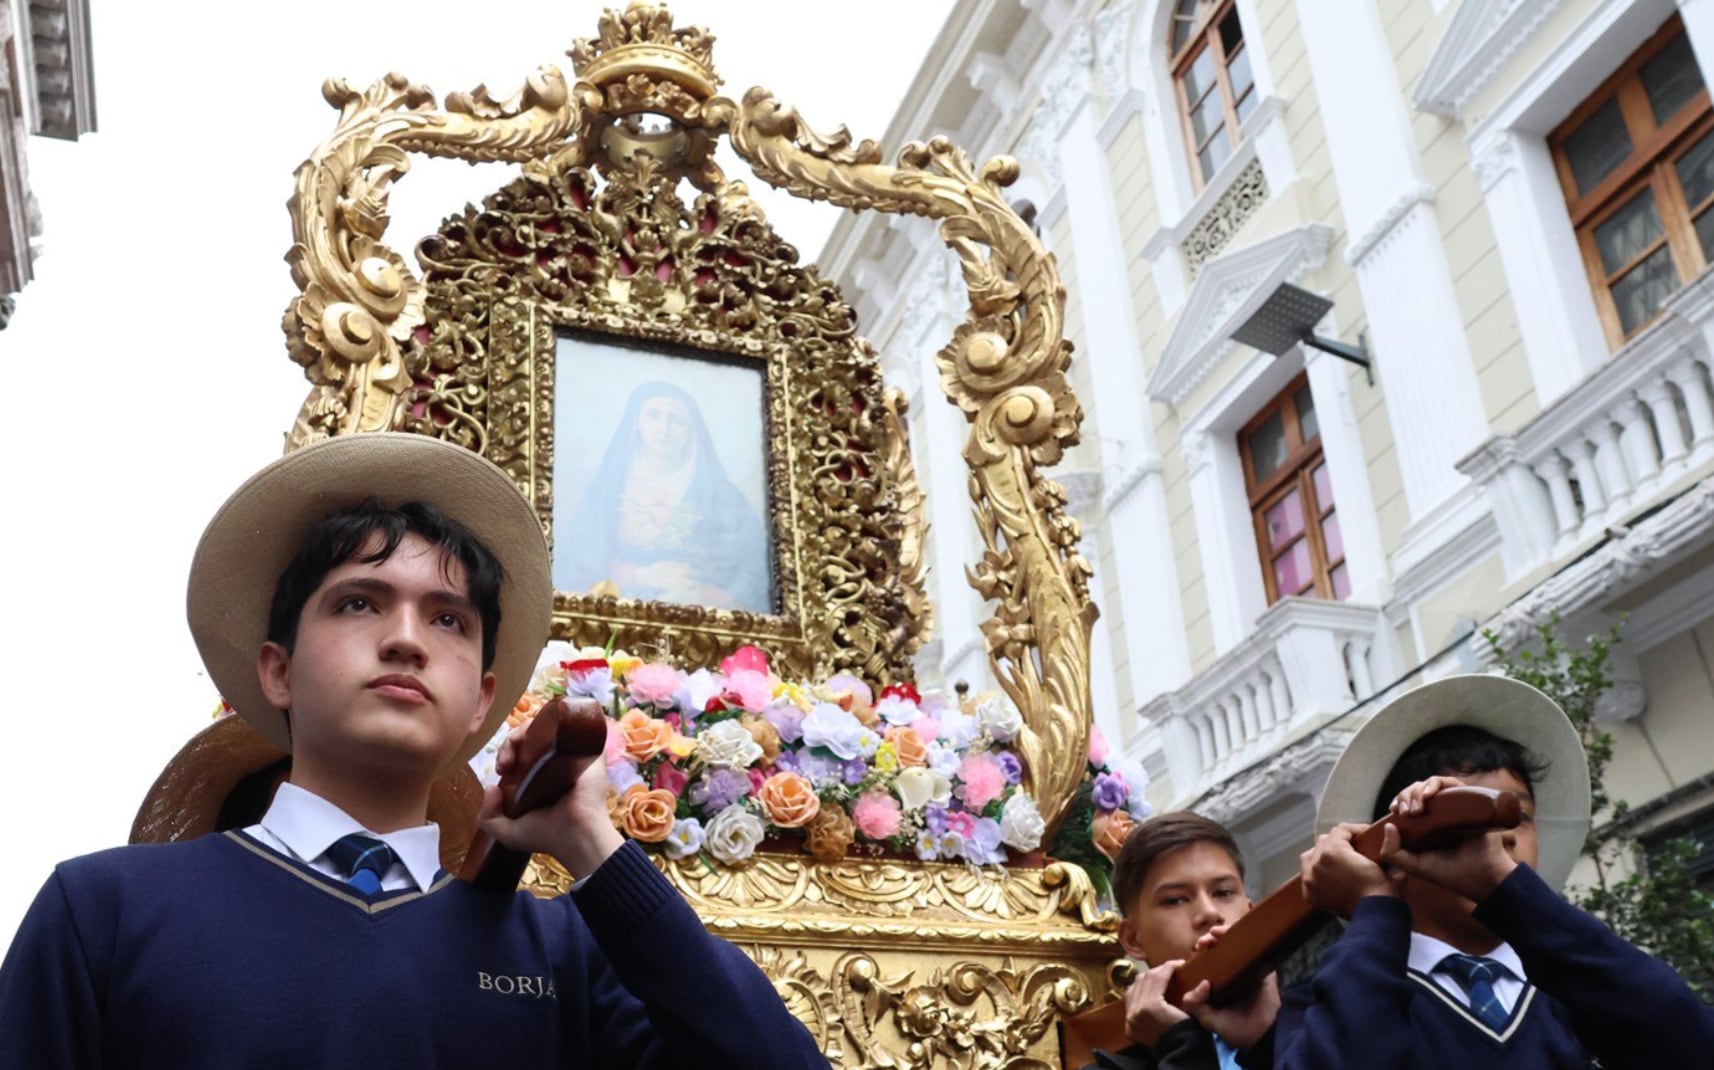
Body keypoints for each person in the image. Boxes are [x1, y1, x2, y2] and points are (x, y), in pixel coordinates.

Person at [0, 432, 826, 1068]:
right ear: (277, 671)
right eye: (360, 604)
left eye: (448, 620)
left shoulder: (561, 954)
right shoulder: (104, 912)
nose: (405, 640)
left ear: (480, 700)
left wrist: (593, 846)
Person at [1275, 674, 1714, 1068]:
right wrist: (1374, 906)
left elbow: (1691, 1045)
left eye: (1516, 816)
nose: (1497, 837)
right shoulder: (1322, 1009)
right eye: (1465, 819)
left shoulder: (1583, 983)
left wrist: (1515, 896)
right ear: (1391, 846)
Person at [1082, 812, 1278, 1070]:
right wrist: (1181, 1044)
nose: (1209, 913)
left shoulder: (1319, 1014)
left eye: (1223, 893)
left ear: (1251, 913)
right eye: (1175, 900)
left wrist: (1266, 1041)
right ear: (1133, 939)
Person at [557, 378, 771, 612]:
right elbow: (575, 564)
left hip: (697, 620)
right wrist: (640, 575)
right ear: (636, 421)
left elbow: (753, 576)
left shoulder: (722, 496)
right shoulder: (608, 489)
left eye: (676, 420)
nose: (663, 429)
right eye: (653, 415)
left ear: (692, 431)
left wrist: (703, 595)